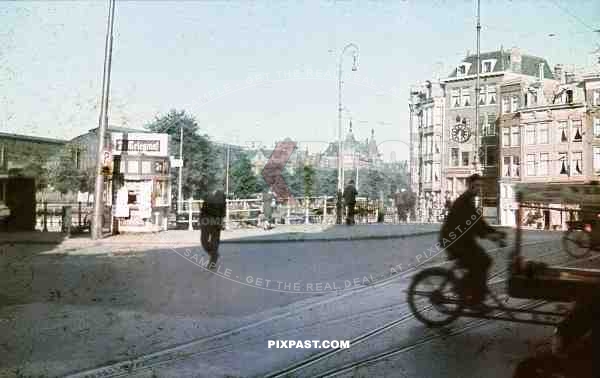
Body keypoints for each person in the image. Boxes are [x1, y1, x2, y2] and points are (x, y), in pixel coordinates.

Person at [440, 174, 505, 306]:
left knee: (485, 261)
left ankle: (467, 289)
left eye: (480, 186)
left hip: (464, 241)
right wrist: (491, 236)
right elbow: (474, 227)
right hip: (454, 242)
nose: (478, 189)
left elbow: (479, 222)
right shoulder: (463, 202)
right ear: (469, 186)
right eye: (475, 186)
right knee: (479, 263)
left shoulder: (469, 201)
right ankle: (475, 300)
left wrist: (495, 232)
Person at [200, 188, 226, 268]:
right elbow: (203, 209)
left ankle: (213, 261)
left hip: (216, 221)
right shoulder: (207, 195)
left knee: (213, 242)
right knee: (204, 240)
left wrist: (220, 221)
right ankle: (214, 254)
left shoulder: (221, 197)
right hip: (206, 220)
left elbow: (223, 211)